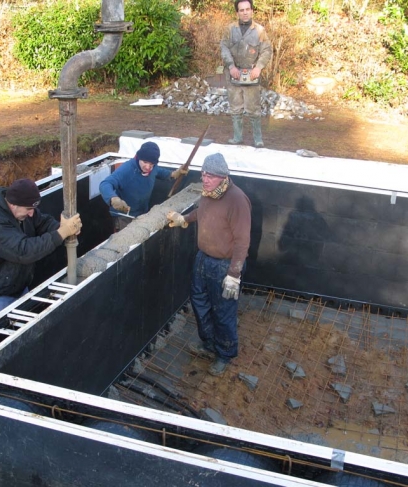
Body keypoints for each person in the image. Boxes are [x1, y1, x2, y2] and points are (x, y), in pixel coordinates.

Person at [166, 153, 251, 376]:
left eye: (210, 176)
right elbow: (201, 212)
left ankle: (224, 354)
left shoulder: (237, 200)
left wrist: (234, 274)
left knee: (223, 312)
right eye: (203, 174)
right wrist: (185, 218)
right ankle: (209, 344)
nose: (205, 179)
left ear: (223, 177)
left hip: (224, 266)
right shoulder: (209, 193)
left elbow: (243, 241)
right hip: (203, 259)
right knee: (200, 303)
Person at [0, 178, 82, 324]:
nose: (31, 214)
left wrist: (61, 227)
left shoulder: (24, 209)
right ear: (13, 204)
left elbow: (42, 222)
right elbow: (23, 251)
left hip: (19, 290)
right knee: (0, 345)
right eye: (28, 209)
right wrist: (61, 233)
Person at [100, 141, 187, 231]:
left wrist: (174, 174)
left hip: (142, 213)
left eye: (151, 164)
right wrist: (113, 198)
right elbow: (105, 184)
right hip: (124, 216)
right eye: (145, 162)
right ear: (138, 158)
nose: (148, 167)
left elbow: (159, 172)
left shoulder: (153, 168)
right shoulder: (127, 169)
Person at [220, 0, 272, 148]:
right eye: (241, 10)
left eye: (247, 9)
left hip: (252, 75)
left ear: (252, 11)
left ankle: (258, 139)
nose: (245, 12)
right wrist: (231, 66)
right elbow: (224, 47)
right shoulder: (229, 29)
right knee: (235, 107)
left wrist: (259, 67)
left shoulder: (260, 31)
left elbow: (267, 50)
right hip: (234, 74)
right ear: (237, 12)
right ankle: (237, 137)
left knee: (253, 108)